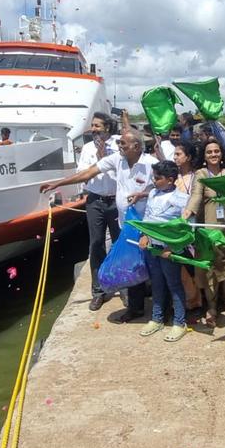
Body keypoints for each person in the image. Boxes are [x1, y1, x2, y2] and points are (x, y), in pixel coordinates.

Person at [40, 132, 157, 323]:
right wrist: (58, 183)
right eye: (119, 142)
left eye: (124, 143)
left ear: (137, 146)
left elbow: (163, 186)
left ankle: (160, 308)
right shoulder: (117, 159)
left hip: (148, 224)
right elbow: (88, 173)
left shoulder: (151, 163)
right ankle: (136, 308)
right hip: (125, 223)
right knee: (132, 263)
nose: (119, 145)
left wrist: (142, 194)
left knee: (154, 262)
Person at [183, 137, 225, 328]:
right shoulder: (201, 173)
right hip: (208, 231)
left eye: (216, 151)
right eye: (209, 152)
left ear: (221, 154)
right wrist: (188, 211)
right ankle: (212, 307)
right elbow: (196, 195)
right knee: (209, 270)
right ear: (204, 156)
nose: (213, 155)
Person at [135, 160, 191, 343]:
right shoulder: (152, 193)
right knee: (157, 283)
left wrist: (171, 248)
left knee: (174, 284)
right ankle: (157, 318)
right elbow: (147, 217)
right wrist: (144, 235)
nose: (154, 180)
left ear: (170, 180)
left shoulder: (181, 198)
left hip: (169, 250)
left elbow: (185, 229)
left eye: (157, 178)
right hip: (152, 248)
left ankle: (179, 322)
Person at [78, 112, 121, 311]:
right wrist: (97, 160)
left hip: (116, 201)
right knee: (96, 245)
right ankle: (98, 291)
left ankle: (126, 290)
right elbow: (82, 174)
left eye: (97, 126)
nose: (94, 129)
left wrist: (106, 158)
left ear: (108, 127)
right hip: (95, 201)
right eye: (92, 126)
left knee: (120, 245)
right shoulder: (87, 148)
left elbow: (121, 172)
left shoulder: (120, 144)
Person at [170, 140, 204, 315]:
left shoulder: (197, 176)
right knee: (179, 267)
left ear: (188, 157)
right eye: (174, 154)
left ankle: (198, 301)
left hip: (192, 225)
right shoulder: (172, 176)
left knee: (192, 265)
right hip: (174, 226)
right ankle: (187, 301)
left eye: (178, 154)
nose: (174, 157)